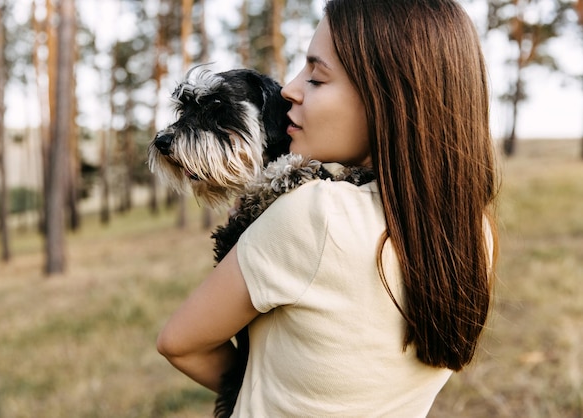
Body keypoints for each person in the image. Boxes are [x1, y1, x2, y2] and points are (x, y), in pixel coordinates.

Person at [157, 0, 499, 416]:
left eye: (317, 78)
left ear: (388, 99)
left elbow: (179, 343)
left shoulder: (314, 214)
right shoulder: (472, 231)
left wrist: (252, 395)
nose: (289, 90)